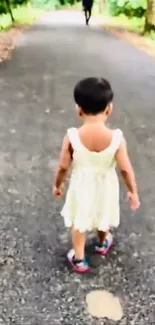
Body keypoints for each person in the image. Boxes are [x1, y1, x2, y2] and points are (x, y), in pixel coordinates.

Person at [53, 77, 140, 273]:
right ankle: (101, 244)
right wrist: (133, 191)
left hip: (81, 185)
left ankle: (79, 258)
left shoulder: (72, 136)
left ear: (79, 109)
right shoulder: (116, 138)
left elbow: (62, 166)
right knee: (104, 214)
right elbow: (125, 169)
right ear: (109, 109)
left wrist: (57, 185)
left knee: (79, 221)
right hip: (106, 185)